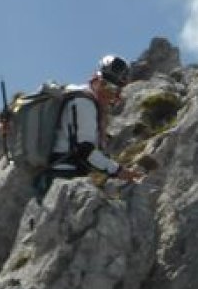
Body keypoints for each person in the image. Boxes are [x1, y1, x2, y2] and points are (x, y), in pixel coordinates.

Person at [36, 55, 143, 195]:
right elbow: (85, 151)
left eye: (113, 89)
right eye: (104, 84)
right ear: (95, 79)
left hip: (56, 173)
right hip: (63, 175)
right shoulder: (85, 103)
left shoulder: (77, 95)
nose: (107, 92)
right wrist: (119, 171)